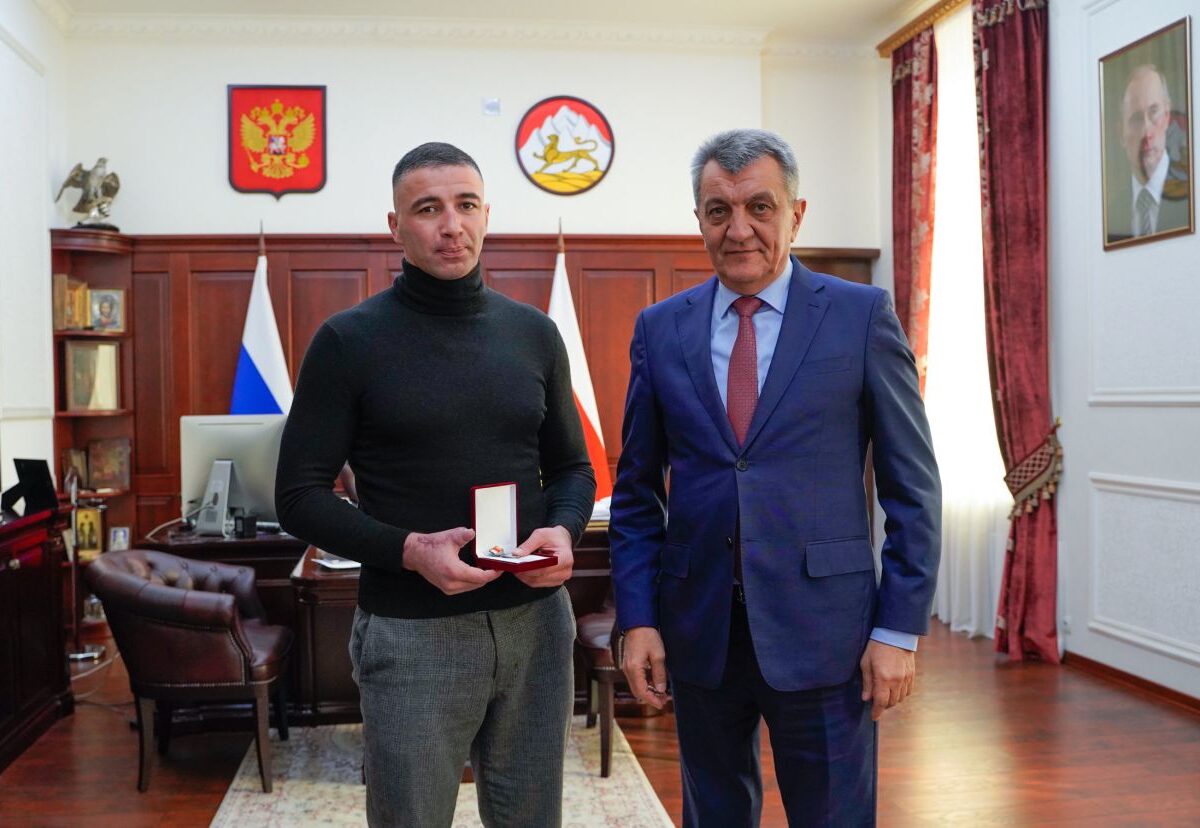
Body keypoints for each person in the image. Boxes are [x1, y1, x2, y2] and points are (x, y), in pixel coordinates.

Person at [610, 129, 941, 827]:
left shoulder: (860, 317)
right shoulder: (660, 329)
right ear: (698, 219)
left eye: (760, 207)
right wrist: (638, 618)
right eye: (718, 211)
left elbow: (913, 489)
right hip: (699, 631)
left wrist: (898, 631)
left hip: (827, 635)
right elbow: (636, 495)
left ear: (797, 213)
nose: (739, 230)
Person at [275, 142, 596, 827]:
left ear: (487, 216)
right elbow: (298, 496)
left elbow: (573, 468)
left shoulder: (535, 334)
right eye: (428, 209)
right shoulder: (348, 342)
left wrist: (564, 529)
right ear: (396, 227)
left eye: (466, 205)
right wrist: (410, 549)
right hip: (412, 631)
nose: (451, 225)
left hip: (537, 626)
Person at [1106, 64, 1189, 243]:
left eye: (1154, 112)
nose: (1146, 131)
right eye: (1136, 118)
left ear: (1167, 116)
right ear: (1121, 134)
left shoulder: (1192, 197)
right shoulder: (1111, 216)